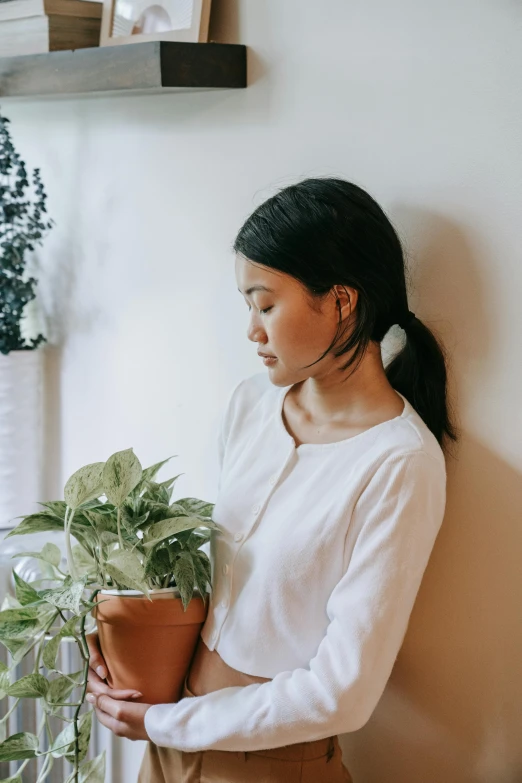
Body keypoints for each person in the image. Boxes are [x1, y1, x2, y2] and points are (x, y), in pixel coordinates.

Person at [86, 177, 457, 782]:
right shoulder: (251, 406)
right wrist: (125, 649)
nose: (252, 330)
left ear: (342, 300)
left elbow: (343, 693)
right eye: (246, 306)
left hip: (272, 767)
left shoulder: (399, 463)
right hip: (170, 741)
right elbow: (216, 587)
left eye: (265, 304)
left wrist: (166, 722)